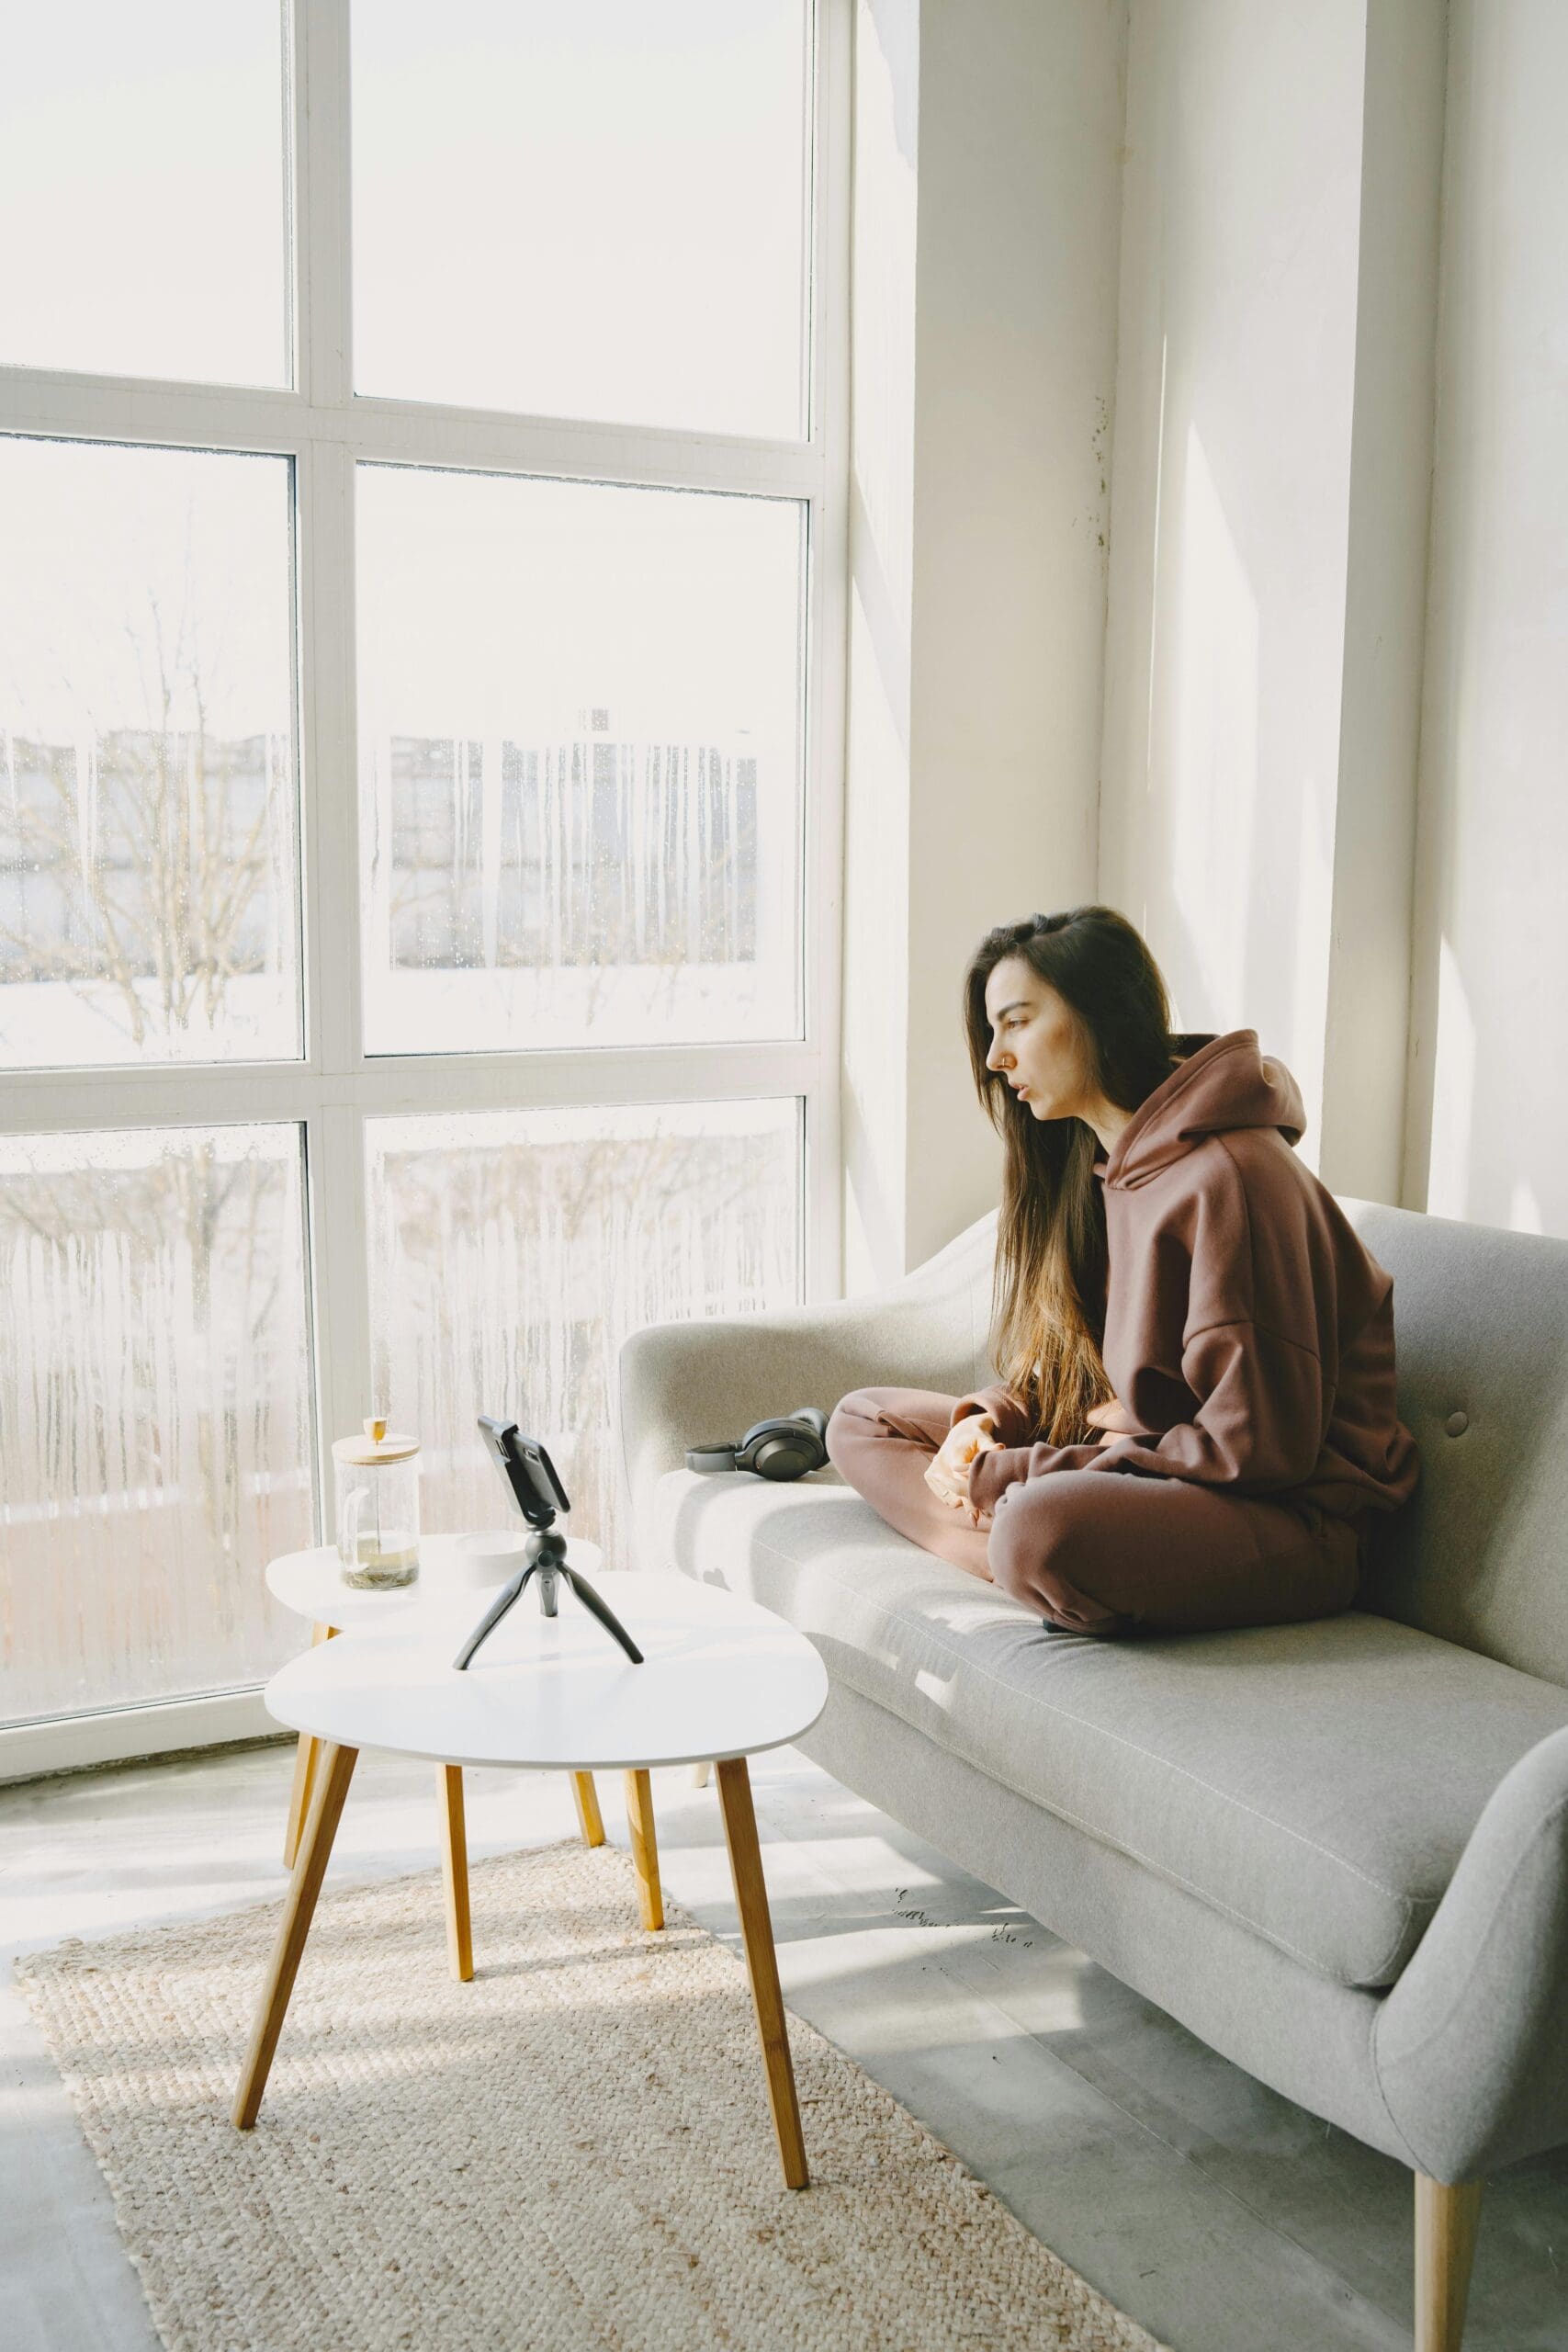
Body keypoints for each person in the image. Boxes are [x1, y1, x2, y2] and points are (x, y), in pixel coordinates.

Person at [826, 907, 1419, 1637]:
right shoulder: (1100, 1166)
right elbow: (1085, 1374)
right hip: (1153, 1478)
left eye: (1015, 1022)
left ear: (1099, 1016)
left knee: (1040, 1529)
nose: (994, 1059)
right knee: (863, 1422)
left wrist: (1023, 1476)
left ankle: (1034, 1554)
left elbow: (1260, 1450)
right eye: (992, 1031)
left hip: (1288, 1518)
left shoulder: (1234, 1178)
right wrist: (986, 1424)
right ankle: (1038, 1562)